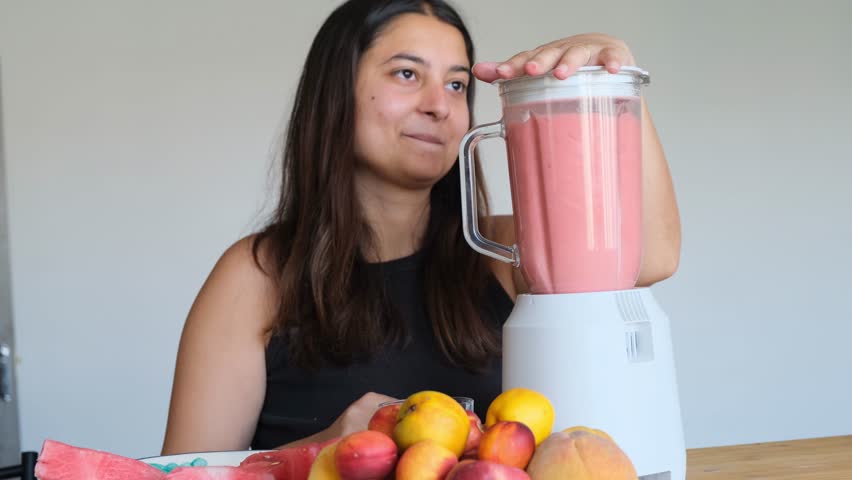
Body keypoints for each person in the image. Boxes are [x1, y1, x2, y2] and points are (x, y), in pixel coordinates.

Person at [161, 0, 681, 455]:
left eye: (456, 84)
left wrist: (621, 84)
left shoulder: (503, 253)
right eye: (407, 74)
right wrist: (325, 447)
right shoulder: (256, 276)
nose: (439, 105)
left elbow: (651, 256)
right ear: (336, 92)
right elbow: (181, 477)